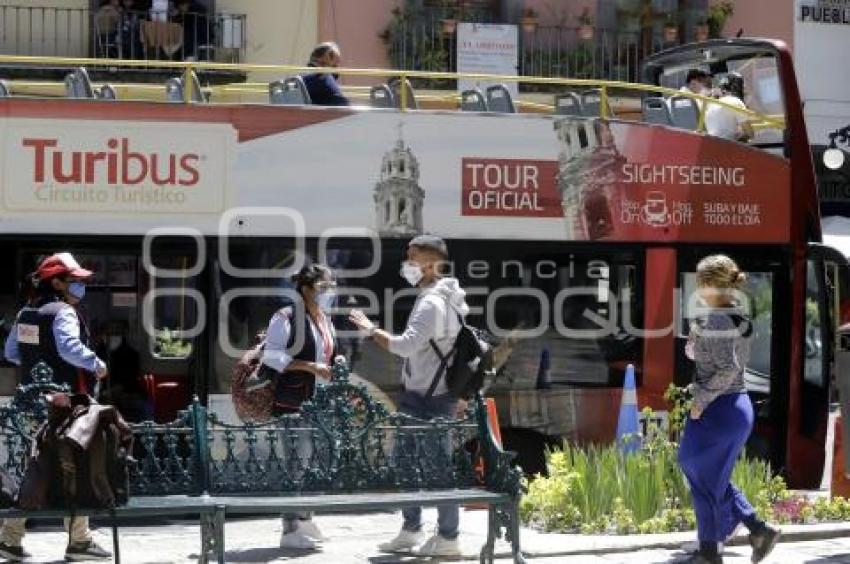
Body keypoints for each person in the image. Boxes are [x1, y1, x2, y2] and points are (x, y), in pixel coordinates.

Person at [348, 235, 468, 558]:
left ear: (429, 265)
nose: (407, 265)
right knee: (407, 462)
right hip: (430, 394)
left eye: (411, 258)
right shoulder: (447, 298)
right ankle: (412, 529)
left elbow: (404, 346)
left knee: (435, 467)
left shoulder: (432, 302)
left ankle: (448, 537)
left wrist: (369, 329)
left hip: (427, 398)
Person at [0, 252, 111, 562]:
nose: (79, 287)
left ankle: (11, 538)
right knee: (75, 466)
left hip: (32, 403)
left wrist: (38, 361)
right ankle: (78, 541)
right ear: (58, 282)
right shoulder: (64, 312)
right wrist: (97, 364)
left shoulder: (26, 312)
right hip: (65, 406)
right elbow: (68, 347)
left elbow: (12, 353)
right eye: (74, 281)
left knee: (36, 466)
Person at [678, 255, 780, 564]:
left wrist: (700, 401)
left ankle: (714, 550)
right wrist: (695, 344)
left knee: (698, 470)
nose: (697, 287)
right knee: (707, 476)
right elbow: (716, 358)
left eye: (700, 281)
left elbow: (725, 370)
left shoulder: (719, 320)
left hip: (719, 406)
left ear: (711, 285)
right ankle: (753, 530)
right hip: (734, 406)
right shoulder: (734, 316)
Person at [260, 263, 338, 550]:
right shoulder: (286, 316)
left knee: (316, 463)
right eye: (323, 287)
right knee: (296, 463)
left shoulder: (325, 319)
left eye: (331, 286)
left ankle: (305, 518)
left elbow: (328, 356)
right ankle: (290, 528)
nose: (329, 292)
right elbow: (272, 356)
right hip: (293, 401)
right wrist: (311, 367)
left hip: (321, 402)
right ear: (305, 289)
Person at [705, 72, 754, 142]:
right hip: (728, 146)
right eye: (743, 87)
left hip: (712, 145)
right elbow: (750, 133)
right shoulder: (735, 102)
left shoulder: (710, 105)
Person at [302, 42, 350, 106]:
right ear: (322, 60)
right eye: (335, 65)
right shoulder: (323, 78)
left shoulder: (302, 79)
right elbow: (342, 103)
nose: (337, 68)